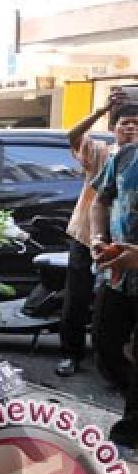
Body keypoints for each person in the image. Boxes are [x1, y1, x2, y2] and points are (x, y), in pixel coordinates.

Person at [57, 88, 127, 377]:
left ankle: (113, 364)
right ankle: (71, 354)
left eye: (137, 122)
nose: (132, 126)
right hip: (86, 236)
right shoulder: (101, 152)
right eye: (125, 123)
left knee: (117, 306)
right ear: (114, 130)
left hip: (125, 247)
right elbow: (71, 137)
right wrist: (101, 110)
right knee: (77, 297)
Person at [88, 105, 138, 449]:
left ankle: (133, 424)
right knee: (105, 342)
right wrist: (96, 238)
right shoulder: (125, 157)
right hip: (117, 274)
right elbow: (99, 202)